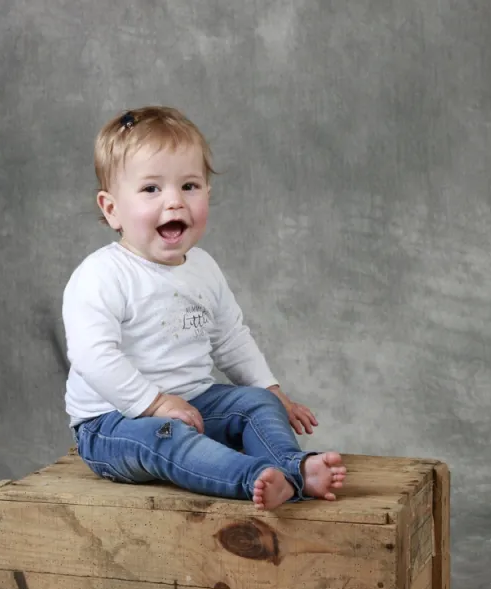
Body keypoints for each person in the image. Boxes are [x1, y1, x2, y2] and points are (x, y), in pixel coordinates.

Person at [62, 106, 346, 510]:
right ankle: (252, 479)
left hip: (194, 404)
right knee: (167, 439)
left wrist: (272, 390)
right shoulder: (102, 276)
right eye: (151, 190)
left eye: (190, 186)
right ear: (112, 210)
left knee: (256, 403)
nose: (175, 202)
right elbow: (94, 356)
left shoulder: (203, 268)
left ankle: (292, 468)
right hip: (114, 424)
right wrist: (156, 404)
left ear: (207, 194)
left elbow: (230, 337)